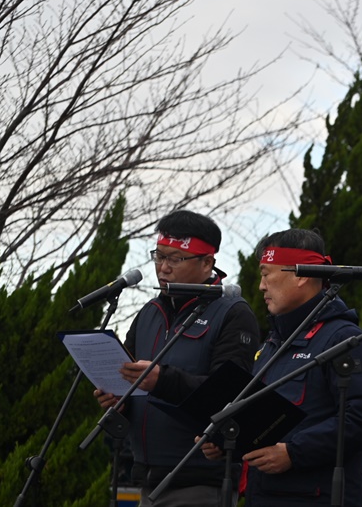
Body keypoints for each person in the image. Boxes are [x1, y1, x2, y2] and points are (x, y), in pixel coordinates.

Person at [202, 228, 362, 506]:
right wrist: (225, 440)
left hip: (315, 497)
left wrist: (294, 452)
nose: (261, 286)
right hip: (263, 494)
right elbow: (264, 420)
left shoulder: (343, 340)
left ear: (301, 275)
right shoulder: (273, 344)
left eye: (266, 274)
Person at [93, 210, 261, 505]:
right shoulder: (149, 313)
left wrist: (162, 380)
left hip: (200, 480)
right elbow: (130, 376)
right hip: (146, 476)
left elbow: (229, 394)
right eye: (158, 256)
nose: (163, 267)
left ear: (207, 262)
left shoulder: (232, 313)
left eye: (175, 259)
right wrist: (119, 400)